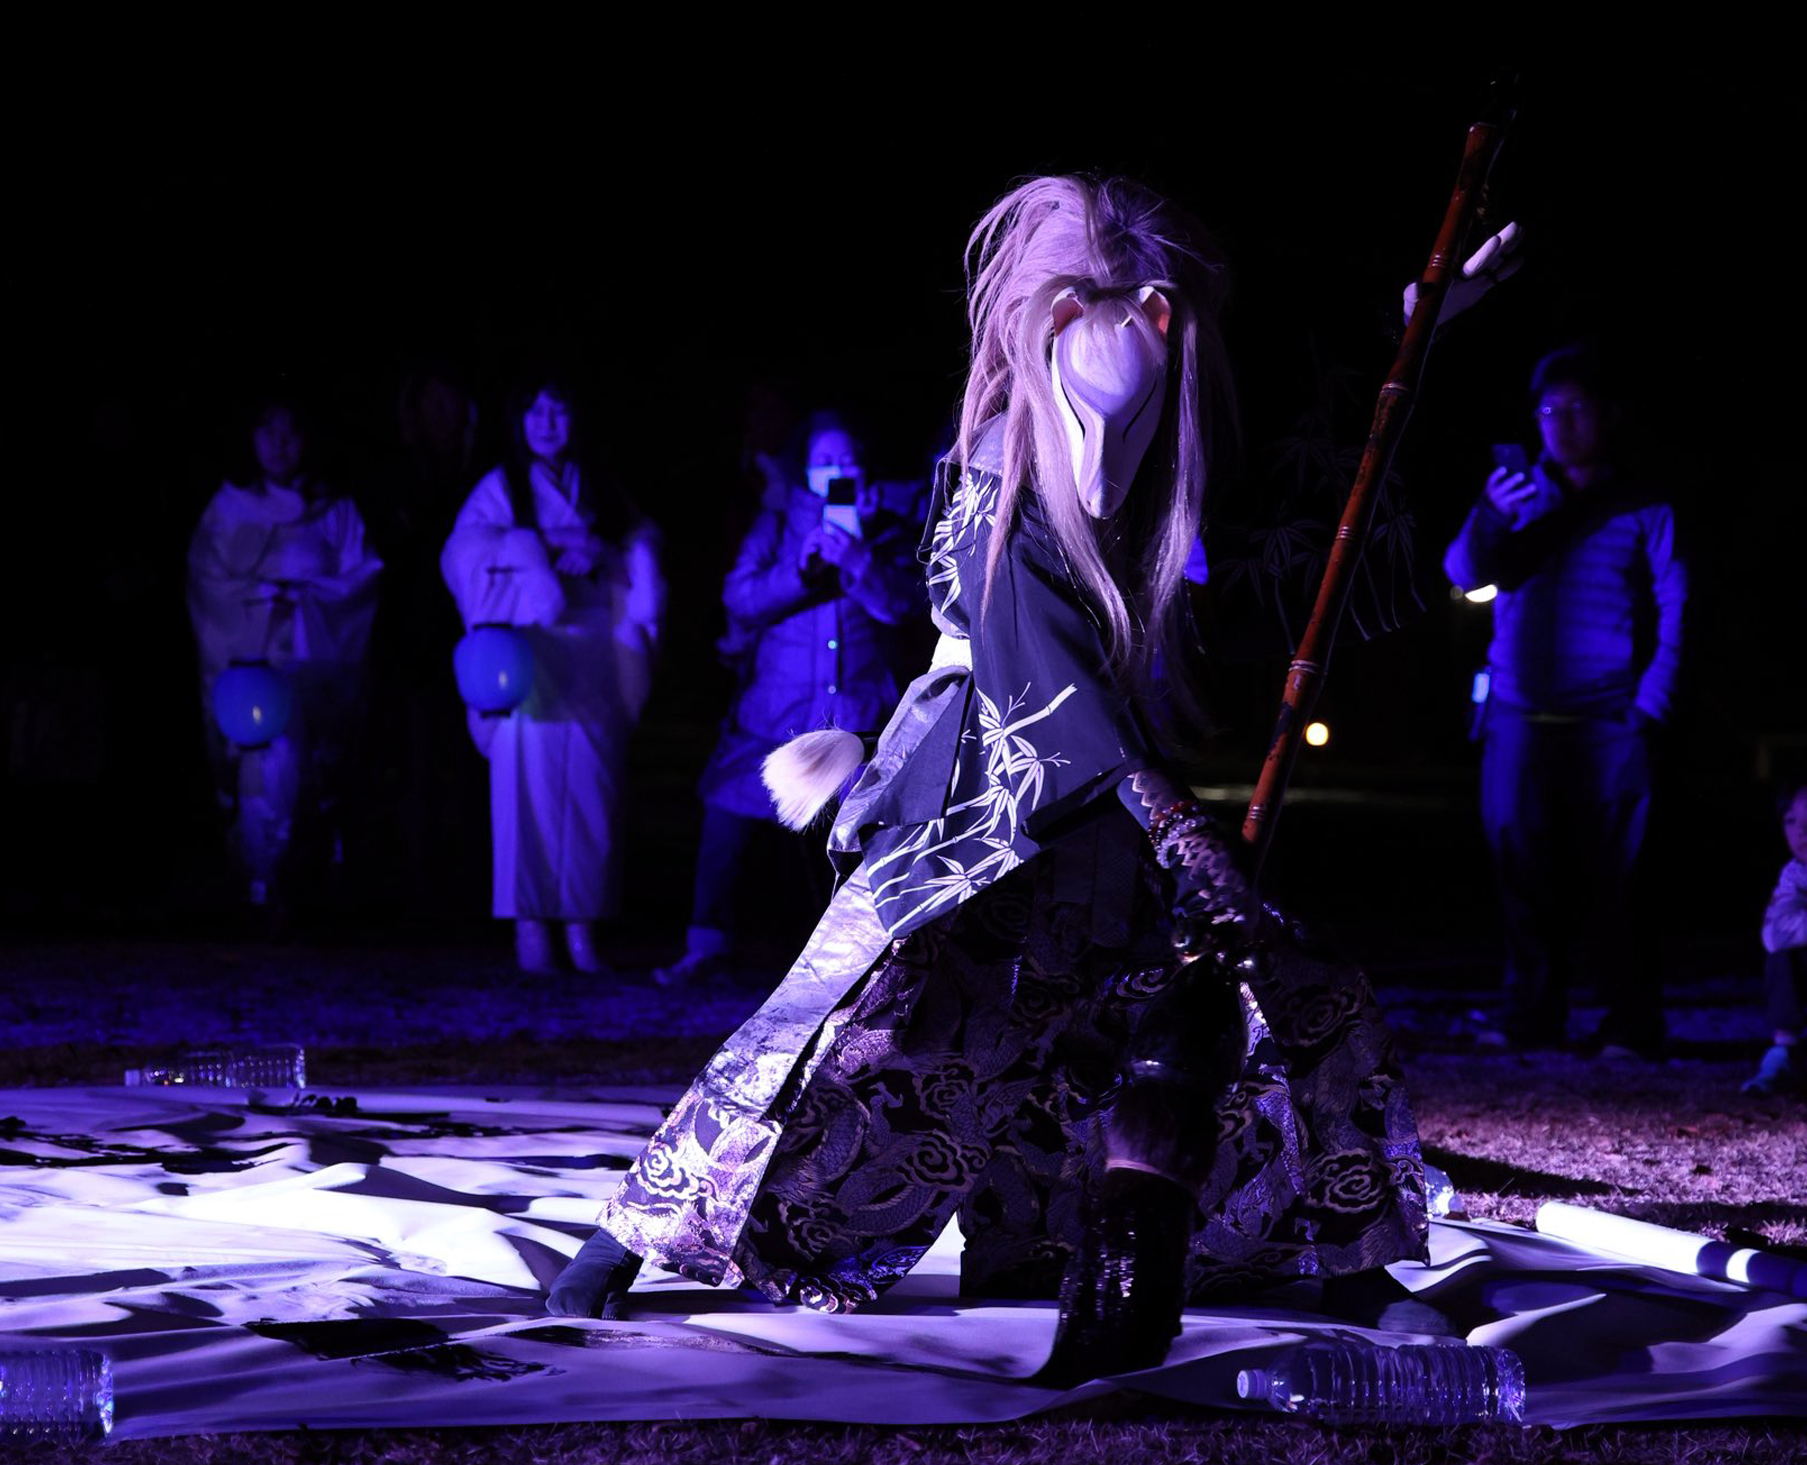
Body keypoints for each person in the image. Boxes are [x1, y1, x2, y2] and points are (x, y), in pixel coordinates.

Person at [547, 176, 1444, 1383]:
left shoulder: (1158, 463)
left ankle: (1346, 1256)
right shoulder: (992, 466)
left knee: (1263, 986)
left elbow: (1266, 574)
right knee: (852, 1016)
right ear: (1054, 324)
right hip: (977, 787)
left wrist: (1411, 343)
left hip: (1109, 788)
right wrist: (1175, 825)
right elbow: (1036, 664)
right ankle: (631, 1229)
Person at [1443, 346, 1686, 1056]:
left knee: (1621, 878)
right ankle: (1531, 1016)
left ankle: (1629, 1020)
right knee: (1520, 873)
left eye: (1577, 407)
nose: (1561, 423)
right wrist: (1488, 513)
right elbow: (1462, 572)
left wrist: (1652, 703)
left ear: (1611, 415)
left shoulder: (1645, 505)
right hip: (1518, 715)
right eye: (1549, 409)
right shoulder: (1515, 493)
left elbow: (1677, 604)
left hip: (1611, 719)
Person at [657, 411, 922, 984]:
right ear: (803, 469)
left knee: (859, 834)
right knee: (727, 817)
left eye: (847, 460)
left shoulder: (886, 528)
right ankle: (706, 942)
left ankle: (864, 959)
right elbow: (740, 598)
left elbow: (905, 605)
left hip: (855, 715)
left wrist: (858, 561)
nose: (837, 471)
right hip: (773, 712)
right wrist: (799, 571)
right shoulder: (777, 525)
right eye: (825, 462)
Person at [440, 381, 662, 974]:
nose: (547, 421)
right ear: (519, 420)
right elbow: (462, 554)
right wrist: (539, 547)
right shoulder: (501, 486)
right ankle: (531, 928)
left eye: (558, 409)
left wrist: (603, 554)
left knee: (591, 791)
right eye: (535, 410)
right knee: (525, 792)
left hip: (591, 653)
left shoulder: (602, 486)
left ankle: (582, 928)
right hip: (530, 654)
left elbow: (637, 552)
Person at [187, 401, 382, 915]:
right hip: (254, 670)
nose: (279, 445)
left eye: (289, 433)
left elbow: (362, 579)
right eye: (267, 432)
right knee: (262, 771)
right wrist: (260, 597)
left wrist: (309, 598)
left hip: (313, 669)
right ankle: (260, 880)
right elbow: (208, 583)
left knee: (311, 770)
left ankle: (309, 882)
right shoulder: (230, 509)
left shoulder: (335, 511)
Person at [1742, 783, 1807, 1096]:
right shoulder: (1795, 875)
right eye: (1791, 821)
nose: (1801, 832)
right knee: (1784, 955)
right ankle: (1785, 1052)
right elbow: (1777, 934)